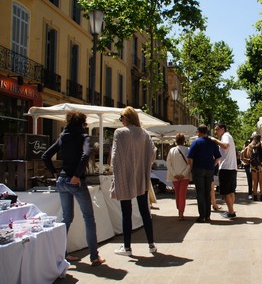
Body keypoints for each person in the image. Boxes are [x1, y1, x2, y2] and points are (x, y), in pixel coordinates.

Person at [42, 111, 105, 266]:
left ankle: (62, 254)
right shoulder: (84, 137)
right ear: (82, 124)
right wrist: (77, 175)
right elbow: (85, 155)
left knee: (66, 218)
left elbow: (45, 156)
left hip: (62, 180)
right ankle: (94, 257)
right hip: (76, 181)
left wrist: (56, 173)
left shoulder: (63, 136)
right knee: (89, 219)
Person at [110, 106, 157, 256]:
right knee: (145, 212)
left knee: (126, 213)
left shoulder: (119, 133)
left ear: (127, 118)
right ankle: (151, 245)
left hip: (125, 177)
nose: (120, 121)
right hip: (140, 178)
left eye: (121, 118)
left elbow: (115, 156)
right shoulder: (144, 134)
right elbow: (153, 154)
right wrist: (141, 166)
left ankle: (127, 248)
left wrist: (119, 171)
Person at [187, 125, 221, 223]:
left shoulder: (196, 142)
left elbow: (190, 158)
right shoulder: (212, 143)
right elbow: (218, 157)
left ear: (199, 132)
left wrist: (192, 168)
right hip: (209, 170)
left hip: (198, 169)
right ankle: (208, 216)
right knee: (208, 193)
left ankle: (202, 216)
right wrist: (213, 165)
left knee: (200, 193)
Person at [212, 123, 238, 218]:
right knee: (231, 191)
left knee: (226, 192)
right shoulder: (228, 136)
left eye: (217, 129)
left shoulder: (225, 136)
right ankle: (230, 210)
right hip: (231, 168)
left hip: (226, 168)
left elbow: (225, 146)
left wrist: (215, 140)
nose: (216, 132)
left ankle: (231, 212)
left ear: (222, 129)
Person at [166, 133, 191, 220]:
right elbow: (190, 164)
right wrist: (183, 174)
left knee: (177, 193)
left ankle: (179, 211)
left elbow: (168, 163)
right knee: (182, 194)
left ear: (176, 141)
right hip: (185, 176)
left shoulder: (172, 150)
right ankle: (181, 212)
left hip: (175, 176)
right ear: (184, 140)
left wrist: (174, 174)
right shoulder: (188, 150)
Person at [248, 134, 262, 201]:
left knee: (254, 181)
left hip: (253, 165)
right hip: (261, 164)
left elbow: (248, 155)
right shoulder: (261, 145)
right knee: (261, 181)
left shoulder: (250, 145)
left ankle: (255, 196)